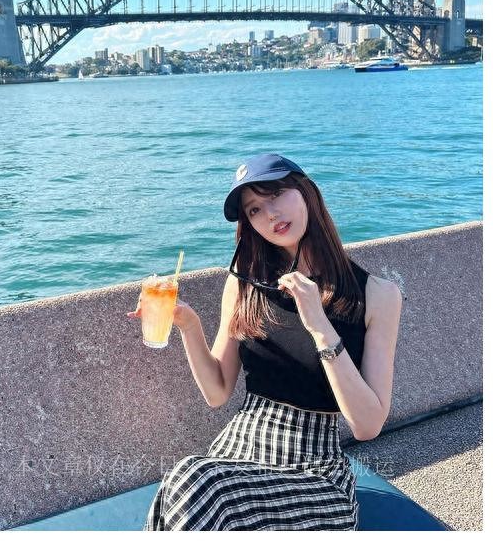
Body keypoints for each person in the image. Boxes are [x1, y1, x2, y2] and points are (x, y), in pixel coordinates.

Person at [127, 152, 403, 531]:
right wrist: (190, 326)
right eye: (254, 209)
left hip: (314, 474)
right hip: (236, 453)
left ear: (307, 192)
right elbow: (217, 392)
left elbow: (367, 425)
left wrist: (320, 326)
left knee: (194, 480)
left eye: (275, 194)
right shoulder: (244, 283)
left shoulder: (378, 295)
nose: (269, 214)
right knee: (186, 478)